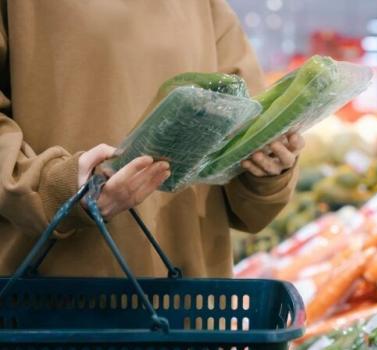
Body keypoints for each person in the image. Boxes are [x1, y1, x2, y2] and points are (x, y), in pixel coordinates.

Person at [0, 1, 303, 277]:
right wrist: (58, 187)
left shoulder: (207, 8)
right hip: (50, 295)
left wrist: (266, 166)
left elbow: (243, 153)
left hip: (189, 303)